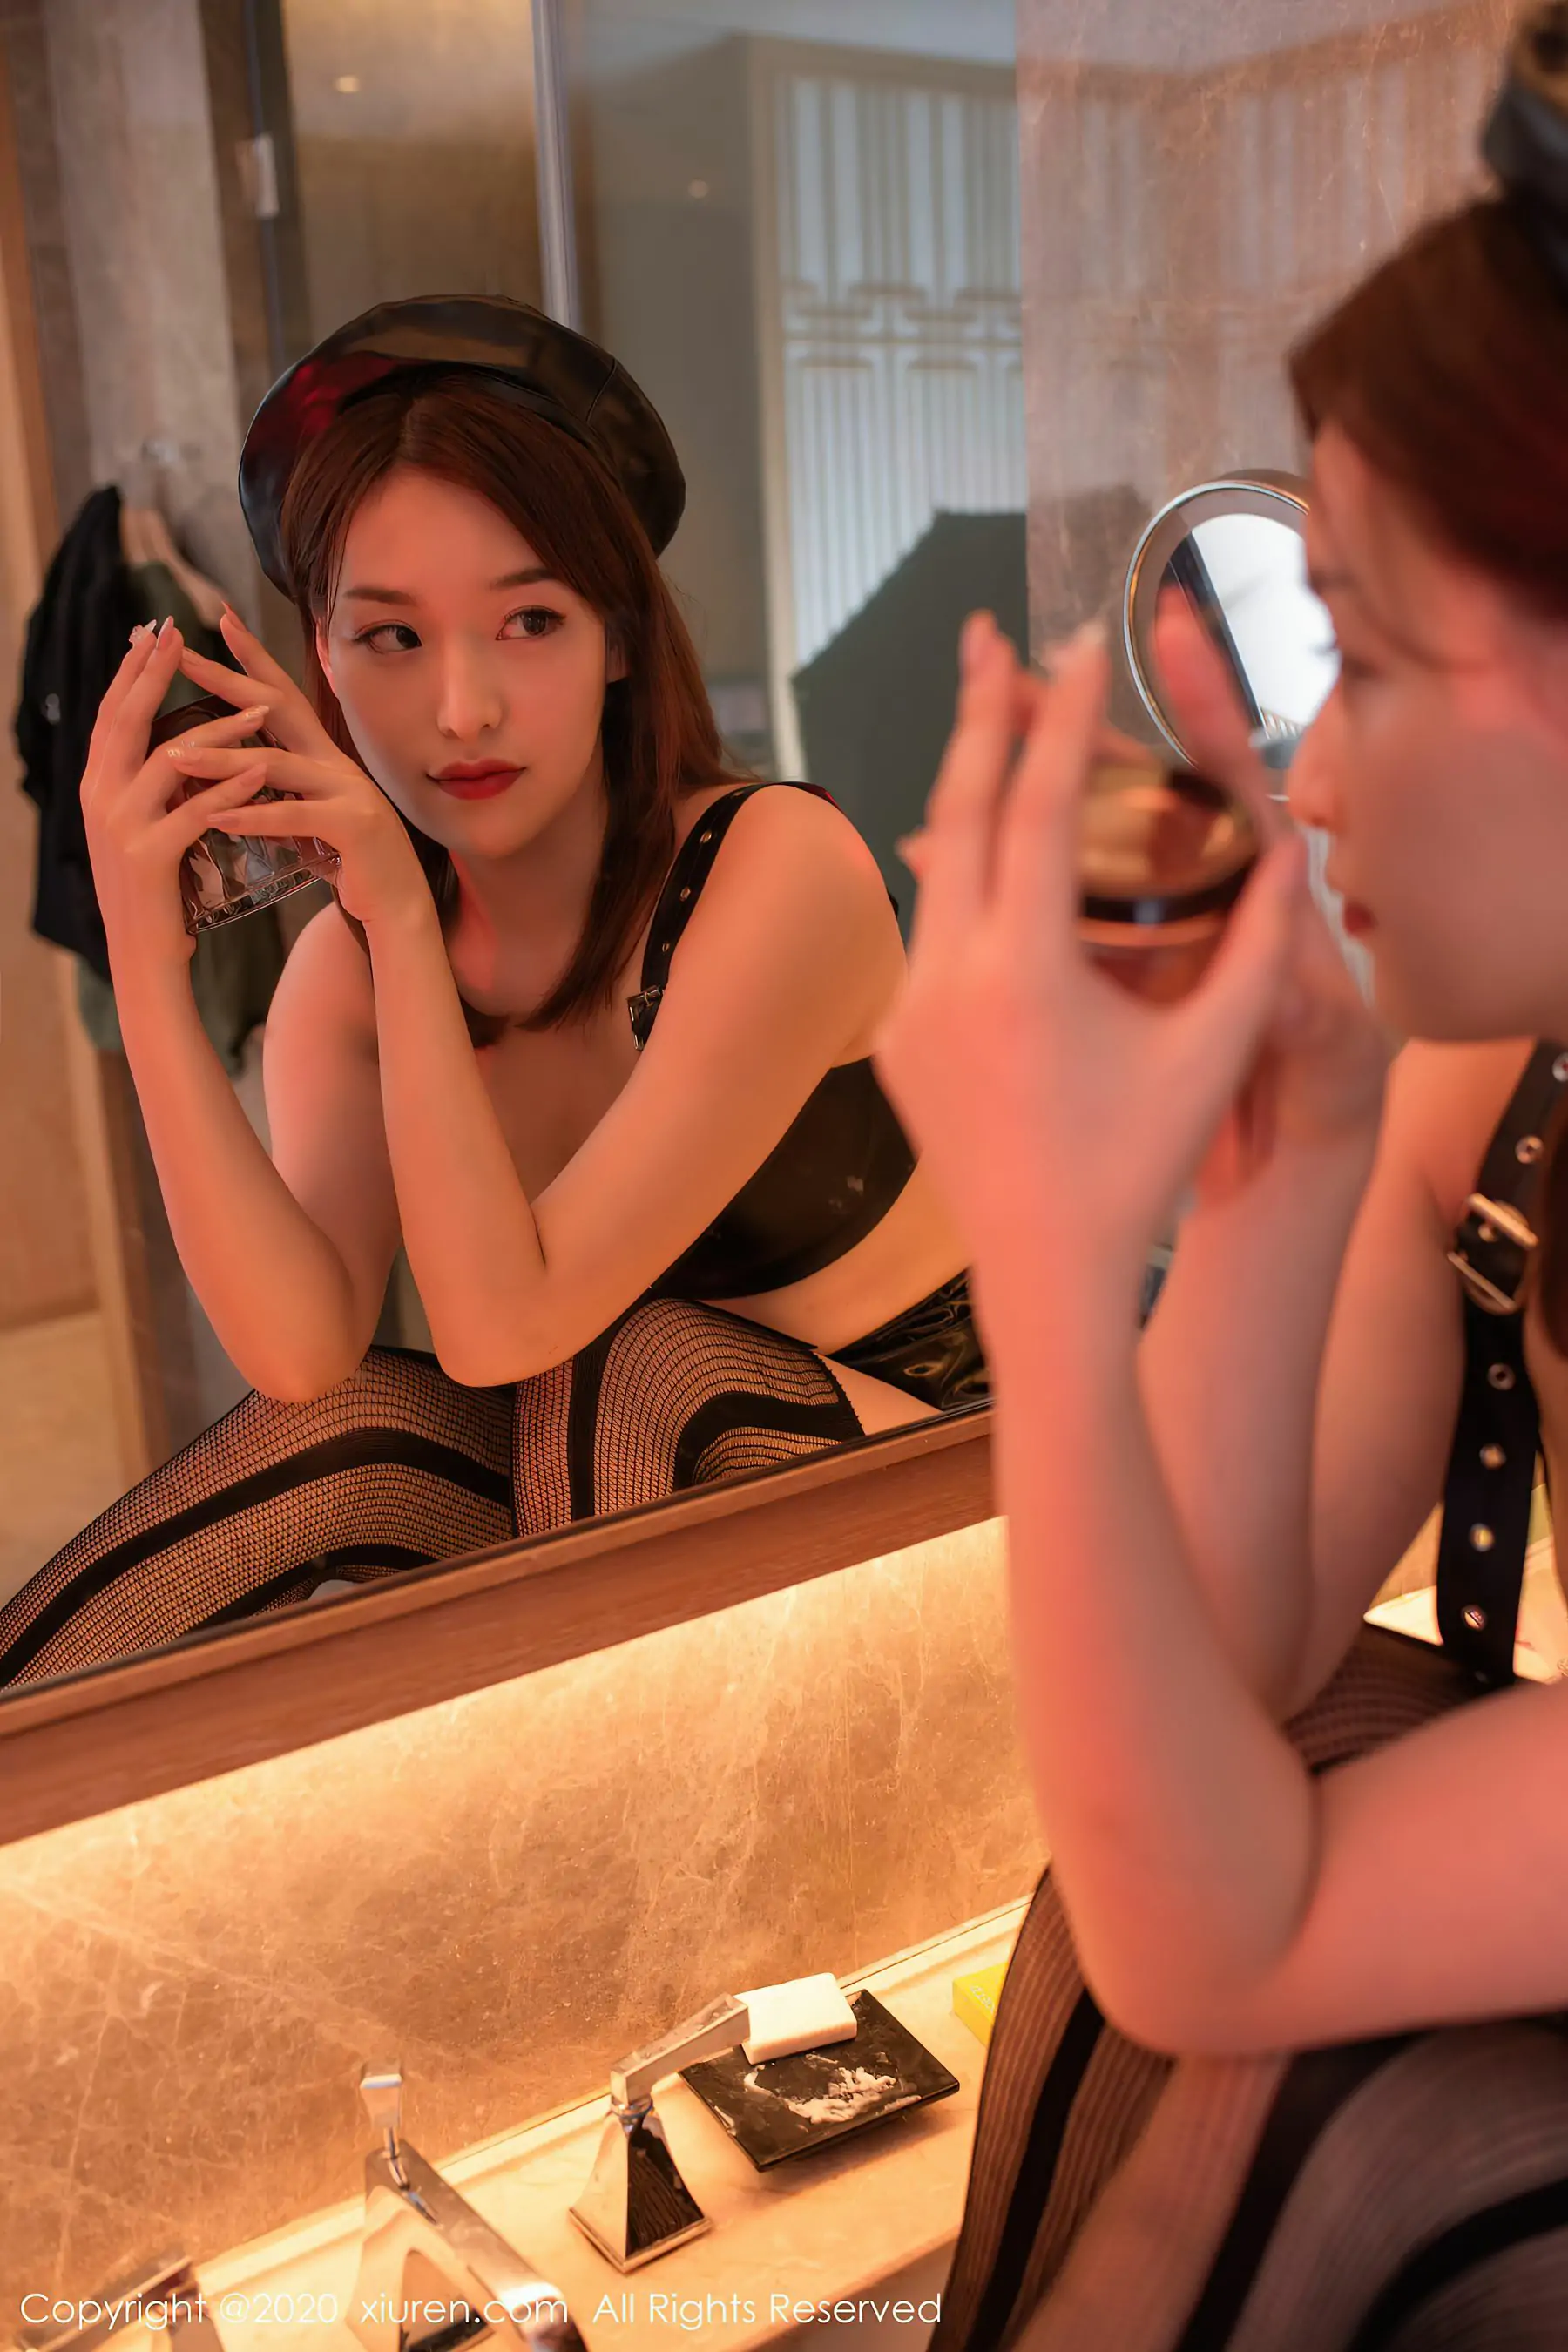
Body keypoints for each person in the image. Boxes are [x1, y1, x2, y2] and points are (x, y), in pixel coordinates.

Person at [879, 10, 1568, 2345]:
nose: (1313, 769)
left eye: (1361, 654)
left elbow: (1222, 1933)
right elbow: (1228, 1673)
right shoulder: (1499, 1079)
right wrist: (1292, 1154)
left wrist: (1049, 1255)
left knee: (1346, 2110)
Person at [0, 297, 982, 1689]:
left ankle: (599, 1819)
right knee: (341, 1436)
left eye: (528, 620)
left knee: (624, 1360)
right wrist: (147, 961)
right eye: (392, 639)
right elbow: (300, 1352)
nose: (462, 709)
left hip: (961, 1482)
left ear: (619, 636)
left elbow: (505, 1327)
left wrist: (401, 917)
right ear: (321, 661)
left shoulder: (776, 869)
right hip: (639, 1509)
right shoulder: (348, 965)